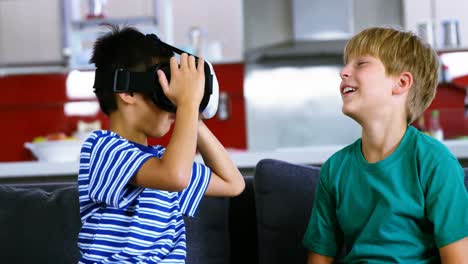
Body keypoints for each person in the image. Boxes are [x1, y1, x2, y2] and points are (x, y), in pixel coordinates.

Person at [77, 25, 245, 263]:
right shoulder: (102, 149)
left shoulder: (166, 161)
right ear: (127, 92)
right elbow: (173, 177)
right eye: (163, 91)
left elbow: (233, 184)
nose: (172, 103)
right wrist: (186, 104)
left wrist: (193, 116)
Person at [303, 27, 468, 263]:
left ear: (401, 83)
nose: (343, 72)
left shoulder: (435, 162)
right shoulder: (334, 169)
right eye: (346, 64)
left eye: (360, 64)